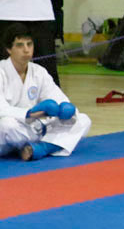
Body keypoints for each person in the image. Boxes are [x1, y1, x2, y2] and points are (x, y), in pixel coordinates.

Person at [0, 23, 91, 160]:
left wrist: (66, 109)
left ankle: (38, 148)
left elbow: (58, 98)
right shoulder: (1, 71)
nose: (26, 50)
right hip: (8, 133)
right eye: (19, 45)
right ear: (8, 49)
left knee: (83, 120)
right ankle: (49, 145)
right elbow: (1, 109)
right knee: (7, 125)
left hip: (33, 127)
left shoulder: (39, 72)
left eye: (29, 44)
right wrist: (30, 113)